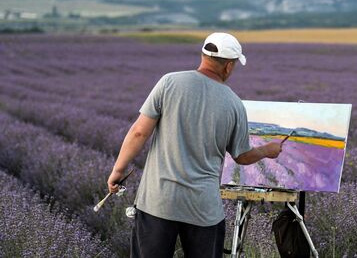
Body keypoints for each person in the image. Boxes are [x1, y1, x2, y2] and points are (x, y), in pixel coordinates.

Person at [106, 32, 283, 258]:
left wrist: (118, 171)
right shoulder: (234, 104)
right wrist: (267, 151)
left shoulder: (169, 82)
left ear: (203, 55)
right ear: (229, 66)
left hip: (159, 201)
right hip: (203, 208)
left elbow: (139, 132)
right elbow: (242, 156)